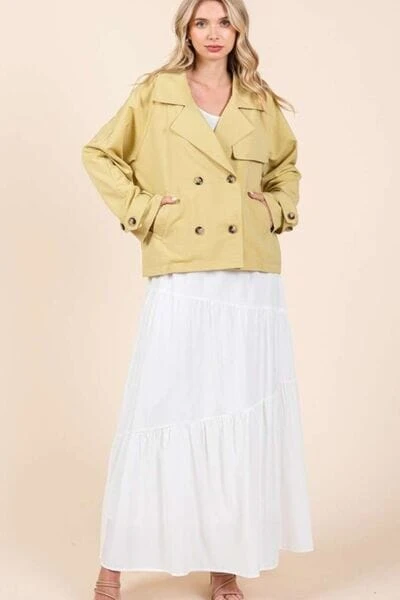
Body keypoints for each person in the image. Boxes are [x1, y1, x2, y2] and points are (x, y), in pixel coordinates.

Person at [81, 1, 314, 598]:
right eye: (202, 22)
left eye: (225, 22)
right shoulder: (156, 92)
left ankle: (225, 565)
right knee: (160, 408)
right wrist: (144, 210)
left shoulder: (259, 100)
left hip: (248, 271)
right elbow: (100, 153)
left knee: (237, 411)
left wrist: (275, 208)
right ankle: (112, 566)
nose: (214, 33)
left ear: (239, 30)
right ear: (186, 29)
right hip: (184, 261)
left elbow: (286, 169)